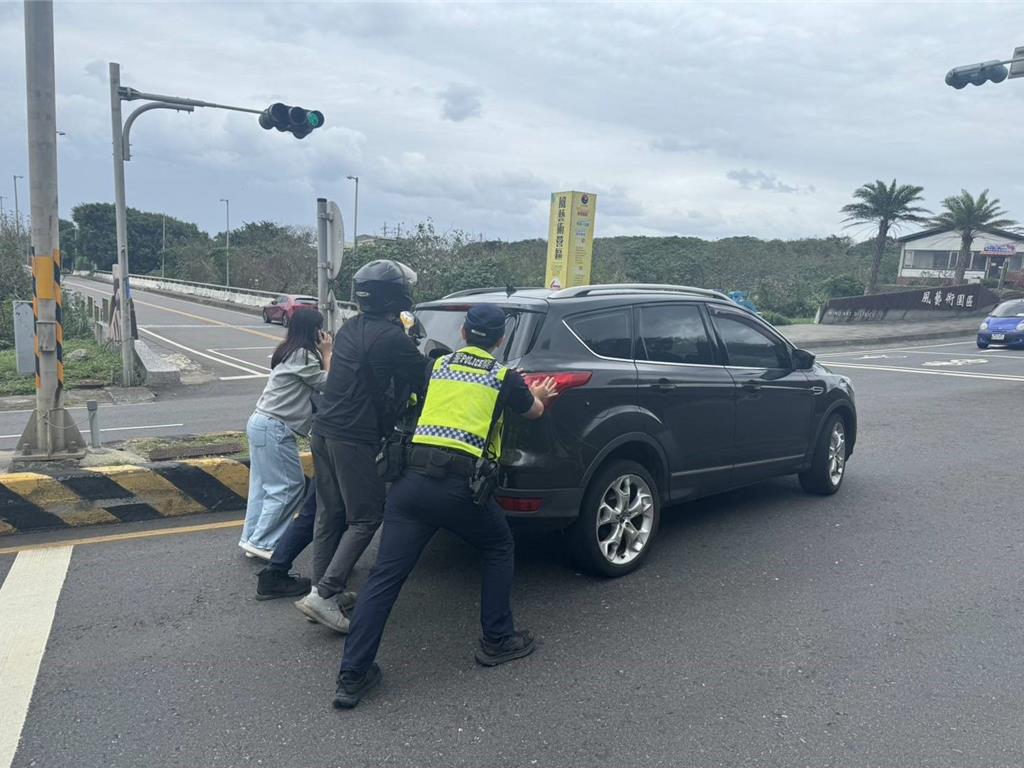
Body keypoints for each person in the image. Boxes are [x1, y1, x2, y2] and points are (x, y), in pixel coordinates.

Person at [332, 303, 558, 709]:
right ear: (500, 339)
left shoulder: (436, 366)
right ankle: (497, 639)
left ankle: (352, 676)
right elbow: (535, 411)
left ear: (465, 334)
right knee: (498, 547)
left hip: (408, 484)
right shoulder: (504, 377)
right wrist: (538, 393)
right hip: (459, 488)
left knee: (385, 577)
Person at [295, 259, 429, 633]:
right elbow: (425, 378)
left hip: (322, 430)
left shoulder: (351, 327)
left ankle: (323, 590)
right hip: (352, 437)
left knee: (331, 513)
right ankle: (324, 595)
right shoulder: (393, 339)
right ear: (396, 295)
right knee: (367, 517)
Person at [239, 308, 331, 565]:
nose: (322, 333)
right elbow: (328, 383)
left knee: (263, 487)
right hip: (275, 427)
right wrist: (327, 352)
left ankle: (252, 540)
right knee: (289, 486)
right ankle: (263, 542)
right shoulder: (303, 355)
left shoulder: (288, 349)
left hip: (262, 422)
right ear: (312, 330)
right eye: (319, 328)